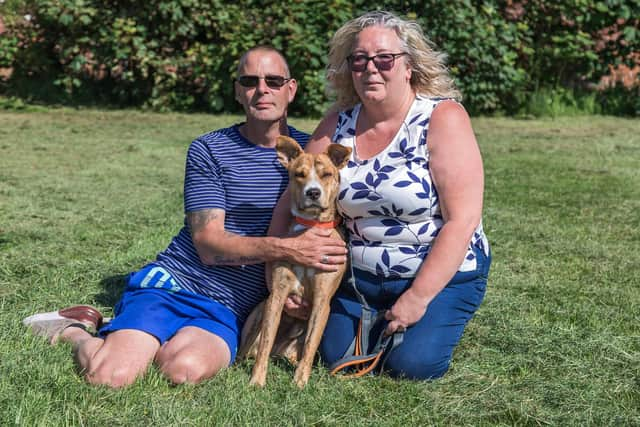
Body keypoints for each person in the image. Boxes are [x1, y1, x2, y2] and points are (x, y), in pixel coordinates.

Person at [22, 46, 347, 388]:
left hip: (229, 306)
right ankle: (76, 329)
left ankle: (142, 340)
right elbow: (208, 245)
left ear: (291, 89)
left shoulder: (307, 157)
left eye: (274, 81)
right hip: (178, 282)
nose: (262, 89)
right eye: (249, 81)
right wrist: (288, 250)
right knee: (110, 376)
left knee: (182, 369)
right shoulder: (210, 149)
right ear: (238, 90)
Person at [270, 11, 491, 380]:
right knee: (334, 357)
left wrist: (417, 298)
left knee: (412, 367)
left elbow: (463, 219)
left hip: (436, 270)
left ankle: (432, 314)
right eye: (359, 59)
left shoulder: (442, 118)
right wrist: (278, 265)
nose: (371, 68)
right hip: (360, 277)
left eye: (384, 58)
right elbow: (290, 198)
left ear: (409, 66)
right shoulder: (337, 122)